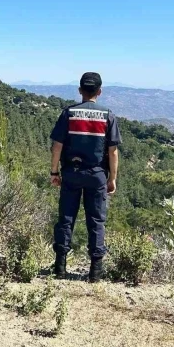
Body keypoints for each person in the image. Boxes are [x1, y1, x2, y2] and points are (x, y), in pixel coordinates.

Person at [49, 72, 122, 282]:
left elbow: (57, 146)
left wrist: (54, 172)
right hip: (97, 175)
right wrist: (112, 179)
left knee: (66, 219)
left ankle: (60, 269)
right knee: (96, 221)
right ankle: (95, 273)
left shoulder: (68, 114)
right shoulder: (108, 115)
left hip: (71, 173)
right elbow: (113, 152)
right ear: (99, 91)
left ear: (80, 90)